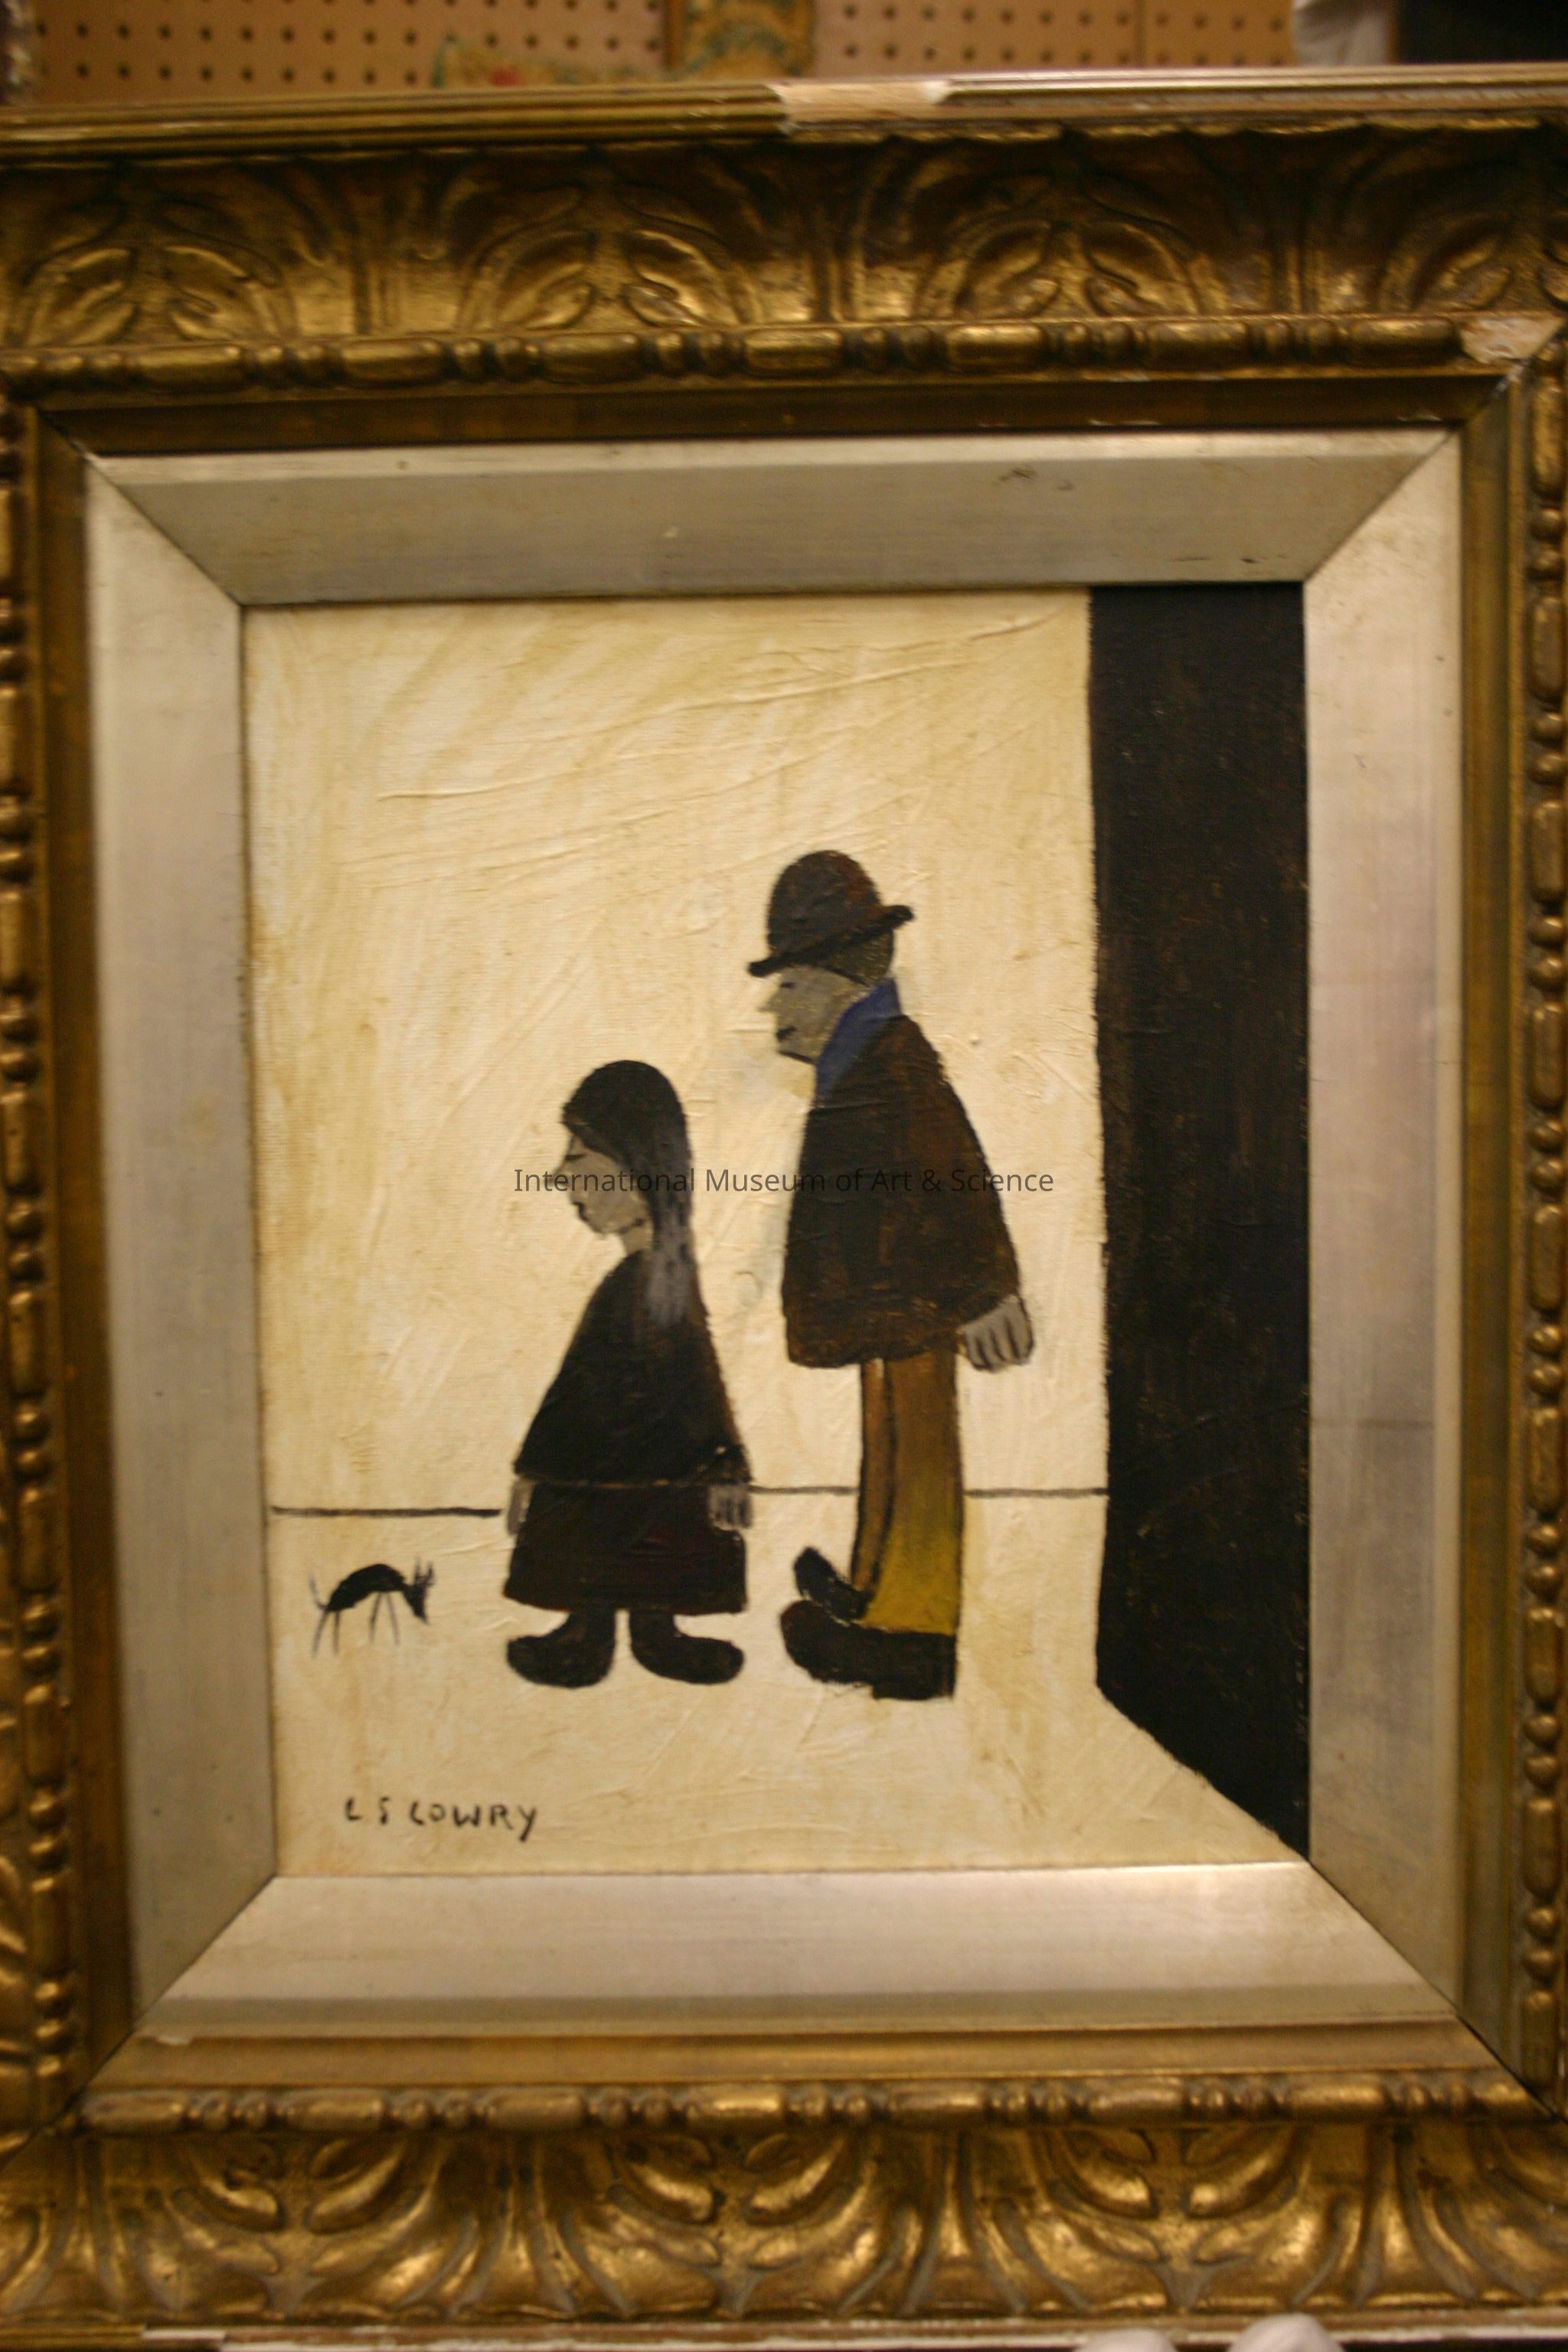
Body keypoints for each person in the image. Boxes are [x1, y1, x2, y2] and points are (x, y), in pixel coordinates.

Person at [751, 852, 1034, 1702]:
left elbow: (953, 1172)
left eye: (788, 985)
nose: (771, 1006)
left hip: (921, 1304)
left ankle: (913, 1634)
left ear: (836, 983)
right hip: (894, 1304)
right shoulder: (858, 1063)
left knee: (919, 1457)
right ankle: (874, 1590)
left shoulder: (896, 1065)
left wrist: (984, 1290)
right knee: (888, 1445)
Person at [503, 1060, 751, 1689]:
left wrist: (723, 1463)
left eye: (579, 1157)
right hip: (623, 1484)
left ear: (638, 1168)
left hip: (634, 1487)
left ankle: (628, 1634)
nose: (561, 1176)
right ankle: (617, 1632)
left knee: (623, 1518)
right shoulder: (643, 1284)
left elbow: (695, 1382)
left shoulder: (650, 1288)